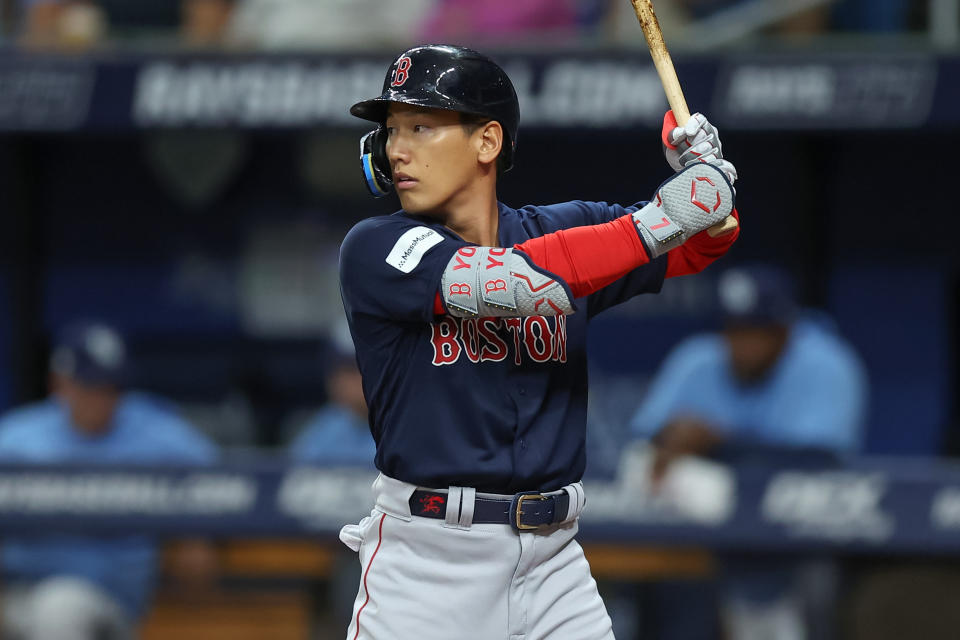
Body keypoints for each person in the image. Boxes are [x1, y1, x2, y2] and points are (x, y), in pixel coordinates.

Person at [337, 43, 740, 640]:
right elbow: (519, 286)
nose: (397, 148)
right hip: (430, 566)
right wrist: (664, 216)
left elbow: (703, 244)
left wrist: (708, 181)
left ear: (487, 142)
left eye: (422, 126)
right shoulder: (377, 247)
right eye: (393, 130)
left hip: (554, 561)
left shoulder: (563, 228)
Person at [630, 265, 868, 640]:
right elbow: (647, 443)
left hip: (797, 531)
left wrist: (717, 442)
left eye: (757, 333)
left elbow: (821, 459)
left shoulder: (826, 362)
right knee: (669, 572)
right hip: (709, 532)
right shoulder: (699, 358)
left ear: (785, 331)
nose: (742, 346)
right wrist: (671, 440)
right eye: (735, 331)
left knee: (819, 581)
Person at [0, 321, 218, 640]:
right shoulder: (19, 438)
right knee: (60, 606)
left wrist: (194, 528)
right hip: (25, 596)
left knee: (62, 608)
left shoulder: (152, 428)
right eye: (91, 387)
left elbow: (231, 484)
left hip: (118, 605)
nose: (103, 400)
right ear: (60, 383)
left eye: (111, 388)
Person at [288, 351, 374, 466]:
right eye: (344, 373)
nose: (348, 383)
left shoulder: (398, 422)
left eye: (357, 371)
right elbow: (294, 471)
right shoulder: (327, 424)